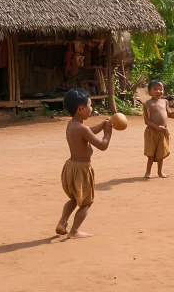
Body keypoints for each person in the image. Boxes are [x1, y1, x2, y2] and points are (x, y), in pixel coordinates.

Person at [56, 89, 112, 239]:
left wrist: (101, 125)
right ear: (81, 109)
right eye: (90, 105)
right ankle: (74, 231)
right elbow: (102, 145)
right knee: (86, 203)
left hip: (70, 167)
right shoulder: (82, 129)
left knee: (74, 199)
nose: (92, 109)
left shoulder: (72, 125)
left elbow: (88, 132)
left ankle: (62, 222)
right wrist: (107, 132)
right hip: (82, 170)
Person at [143, 80, 174, 178]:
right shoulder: (147, 104)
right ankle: (148, 172)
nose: (158, 91)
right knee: (151, 154)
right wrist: (157, 127)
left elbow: (169, 114)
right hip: (151, 132)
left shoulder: (164, 102)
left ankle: (160, 172)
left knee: (161, 153)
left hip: (163, 132)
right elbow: (147, 121)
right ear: (149, 92)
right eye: (155, 89)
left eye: (161, 89)